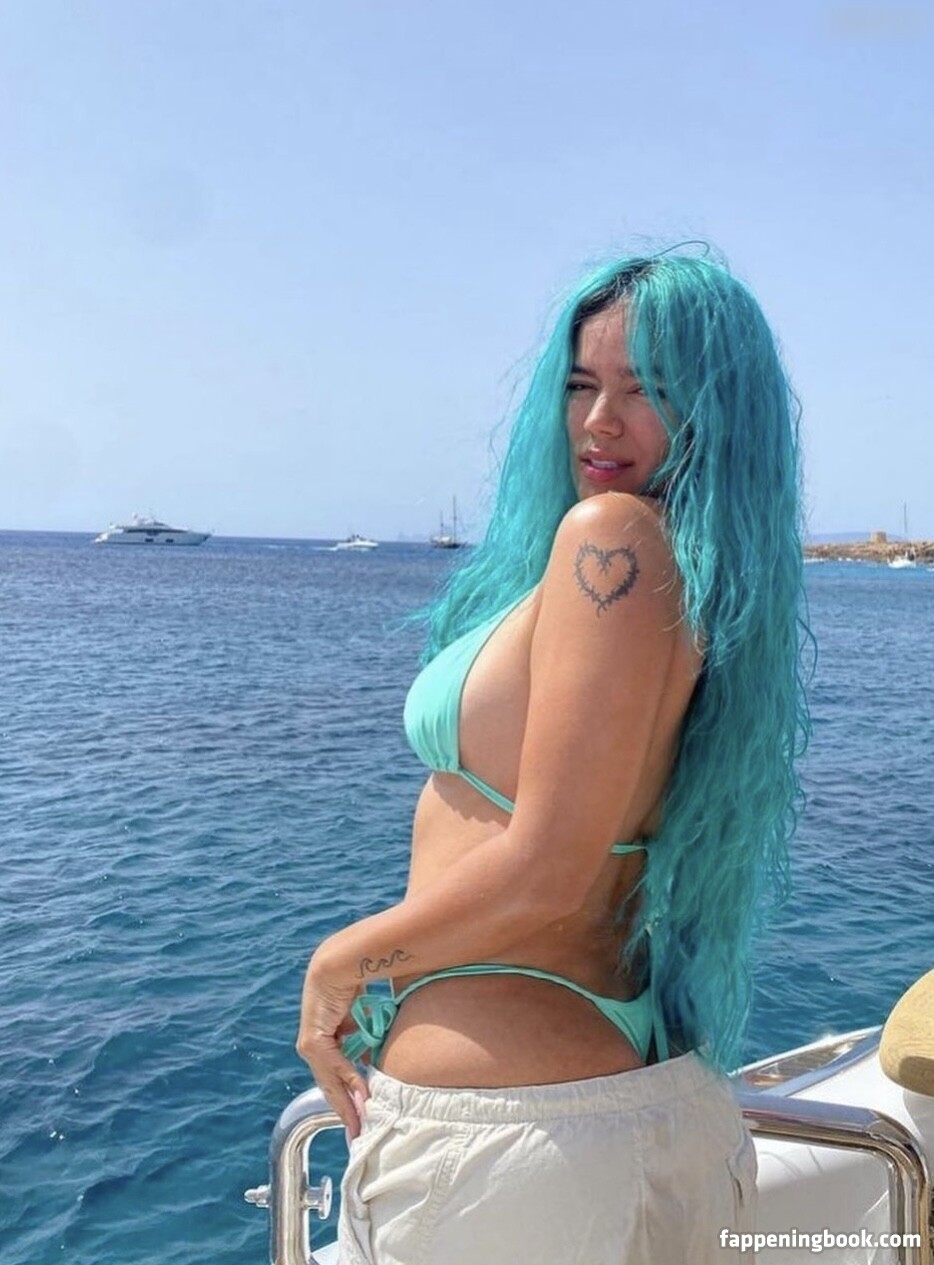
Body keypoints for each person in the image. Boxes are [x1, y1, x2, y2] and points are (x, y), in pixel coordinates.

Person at [297, 249, 808, 1264]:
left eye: (645, 389)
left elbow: (549, 867)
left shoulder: (611, 536)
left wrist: (340, 963)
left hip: (514, 1145)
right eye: (581, 384)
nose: (599, 420)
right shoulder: (685, 573)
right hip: (590, 1115)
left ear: (715, 411)